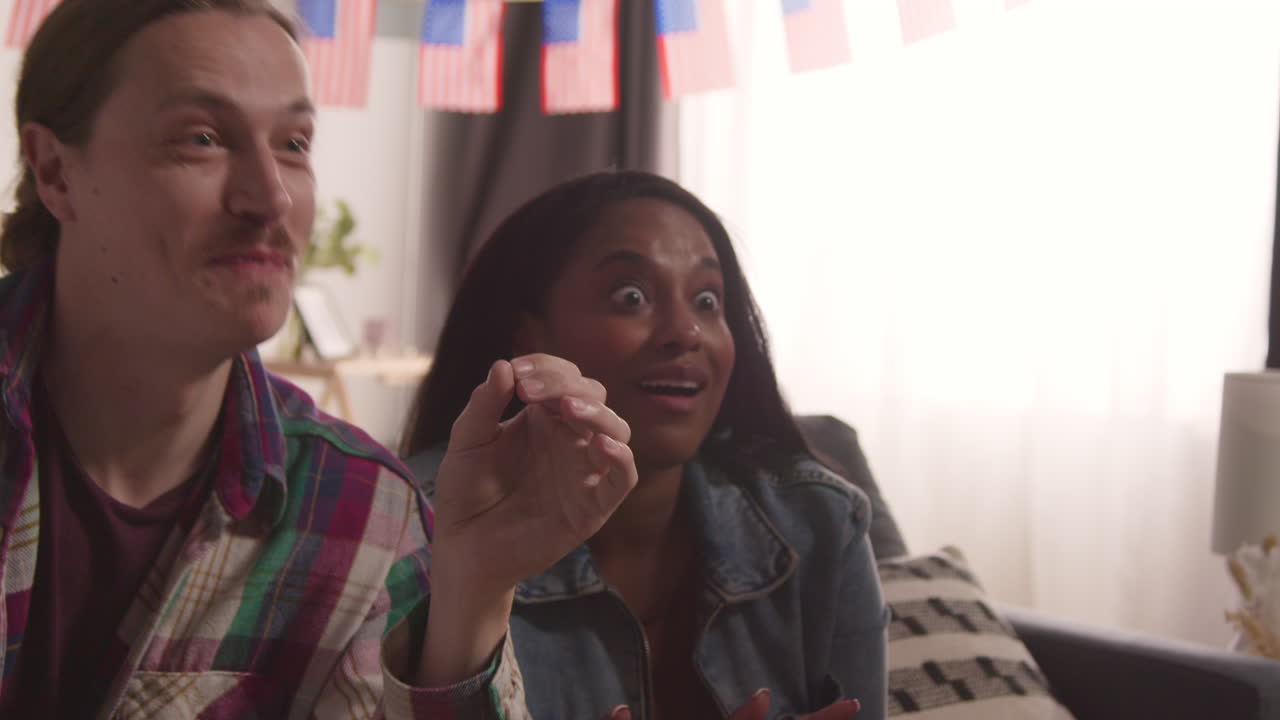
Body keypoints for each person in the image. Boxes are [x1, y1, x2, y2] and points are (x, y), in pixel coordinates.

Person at [0, 1, 637, 717]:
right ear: (54, 171)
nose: (269, 195)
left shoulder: (364, 513)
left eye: (295, 144)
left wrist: (475, 593)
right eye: (203, 139)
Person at [403, 170, 889, 720]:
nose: (686, 332)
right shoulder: (410, 522)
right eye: (631, 296)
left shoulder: (821, 521)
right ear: (528, 338)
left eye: (708, 300)